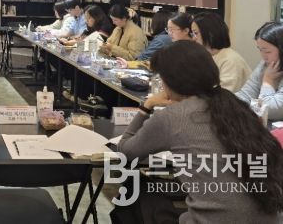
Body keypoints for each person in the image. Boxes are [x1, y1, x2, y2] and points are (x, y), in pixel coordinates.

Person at [116, 41, 283, 223]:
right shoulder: (235, 106)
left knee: (135, 190)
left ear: (170, 81)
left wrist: (146, 106)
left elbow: (126, 151)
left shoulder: (172, 116)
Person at [192, 12, 251, 92]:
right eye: (193, 34)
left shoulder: (230, 60)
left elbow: (224, 93)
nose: (193, 38)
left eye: (196, 33)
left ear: (210, 33)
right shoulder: (207, 57)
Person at [236, 22, 283, 121]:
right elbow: (244, 95)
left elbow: (270, 110)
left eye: (267, 51)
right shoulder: (266, 64)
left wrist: (268, 80)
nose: (263, 56)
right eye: (260, 50)